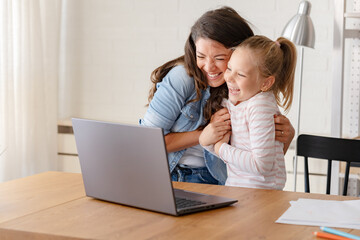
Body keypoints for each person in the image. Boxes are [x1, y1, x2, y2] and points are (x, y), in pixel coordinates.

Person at [139, 7, 295, 185]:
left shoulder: (245, 89)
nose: (208, 66)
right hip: (178, 175)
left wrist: (285, 137)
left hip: (221, 179)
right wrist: (203, 135)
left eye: (220, 58)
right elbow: (148, 142)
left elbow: (259, 165)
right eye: (201, 56)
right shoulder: (183, 78)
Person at [199, 35, 297, 190]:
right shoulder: (235, 103)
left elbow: (261, 165)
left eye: (241, 74)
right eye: (230, 69)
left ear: (266, 83)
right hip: (239, 190)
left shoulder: (260, 106)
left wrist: (220, 148)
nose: (229, 77)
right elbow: (235, 158)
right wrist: (207, 143)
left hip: (262, 196)